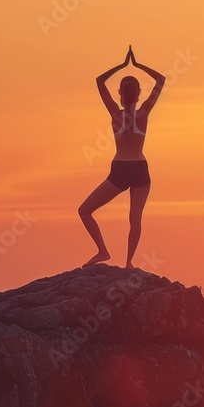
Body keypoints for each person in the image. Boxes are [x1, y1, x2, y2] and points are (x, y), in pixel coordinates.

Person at [78, 46, 165, 269]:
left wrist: (122, 65)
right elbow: (160, 80)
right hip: (138, 170)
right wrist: (136, 65)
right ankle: (128, 263)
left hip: (121, 170)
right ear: (138, 94)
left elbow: (99, 81)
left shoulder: (115, 114)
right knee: (135, 218)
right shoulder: (144, 112)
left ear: (120, 94)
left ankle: (103, 251)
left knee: (85, 210)